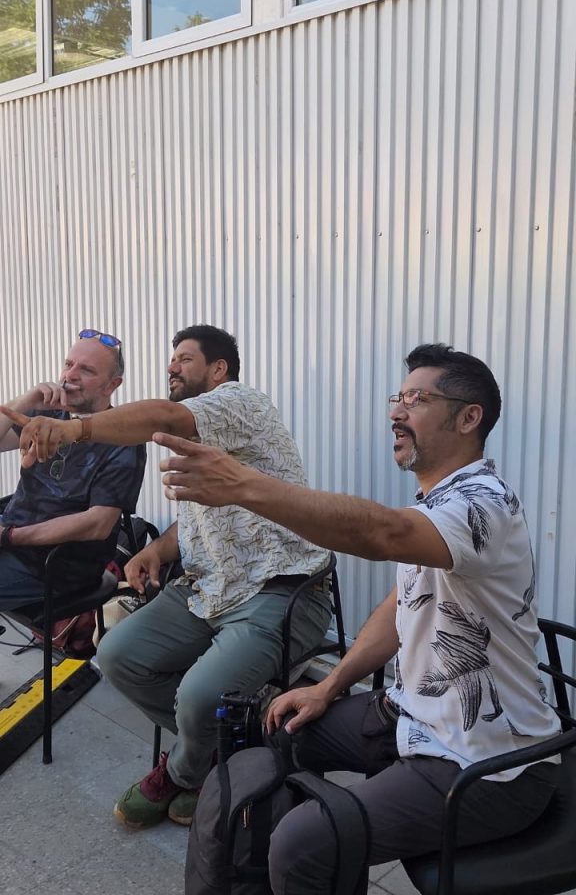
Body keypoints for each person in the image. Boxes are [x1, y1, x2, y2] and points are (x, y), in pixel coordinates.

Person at [150, 343, 560, 894]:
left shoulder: (483, 503)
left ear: (469, 418)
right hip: (413, 716)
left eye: (417, 398)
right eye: (400, 396)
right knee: (270, 737)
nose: (396, 411)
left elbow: (380, 534)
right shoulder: (437, 506)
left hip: (487, 763)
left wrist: (245, 485)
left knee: (303, 844)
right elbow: (400, 610)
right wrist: (331, 687)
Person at [1, 324, 332, 830]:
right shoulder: (193, 441)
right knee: (115, 655)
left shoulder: (241, 402)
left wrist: (71, 428)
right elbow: (204, 518)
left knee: (199, 696)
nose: (172, 367)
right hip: (206, 588)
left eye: (184, 358)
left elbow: (158, 414)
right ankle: (225, 752)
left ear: (218, 370)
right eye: (171, 358)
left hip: (279, 588)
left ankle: (181, 772)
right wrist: (156, 547)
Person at [0, 329, 146, 608]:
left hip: (55, 567)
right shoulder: (48, 413)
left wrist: (10, 536)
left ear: (111, 385)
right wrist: (25, 401)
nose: (70, 375)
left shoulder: (123, 438)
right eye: (68, 364)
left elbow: (98, 524)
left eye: (87, 370)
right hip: (13, 544)